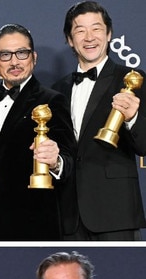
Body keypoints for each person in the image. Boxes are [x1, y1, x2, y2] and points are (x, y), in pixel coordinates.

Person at [0, 23, 77, 240]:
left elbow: (69, 160)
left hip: (33, 225)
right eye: (5, 55)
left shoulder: (52, 100)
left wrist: (56, 161)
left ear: (34, 57)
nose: (14, 61)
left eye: (21, 53)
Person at [52, 1, 146, 240]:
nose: (89, 37)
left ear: (109, 34)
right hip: (68, 215)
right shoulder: (56, 90)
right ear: (69, 39)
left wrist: (133, 118)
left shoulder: (132, 79)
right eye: (80, 30)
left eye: (96, 28)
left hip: (115, 211)